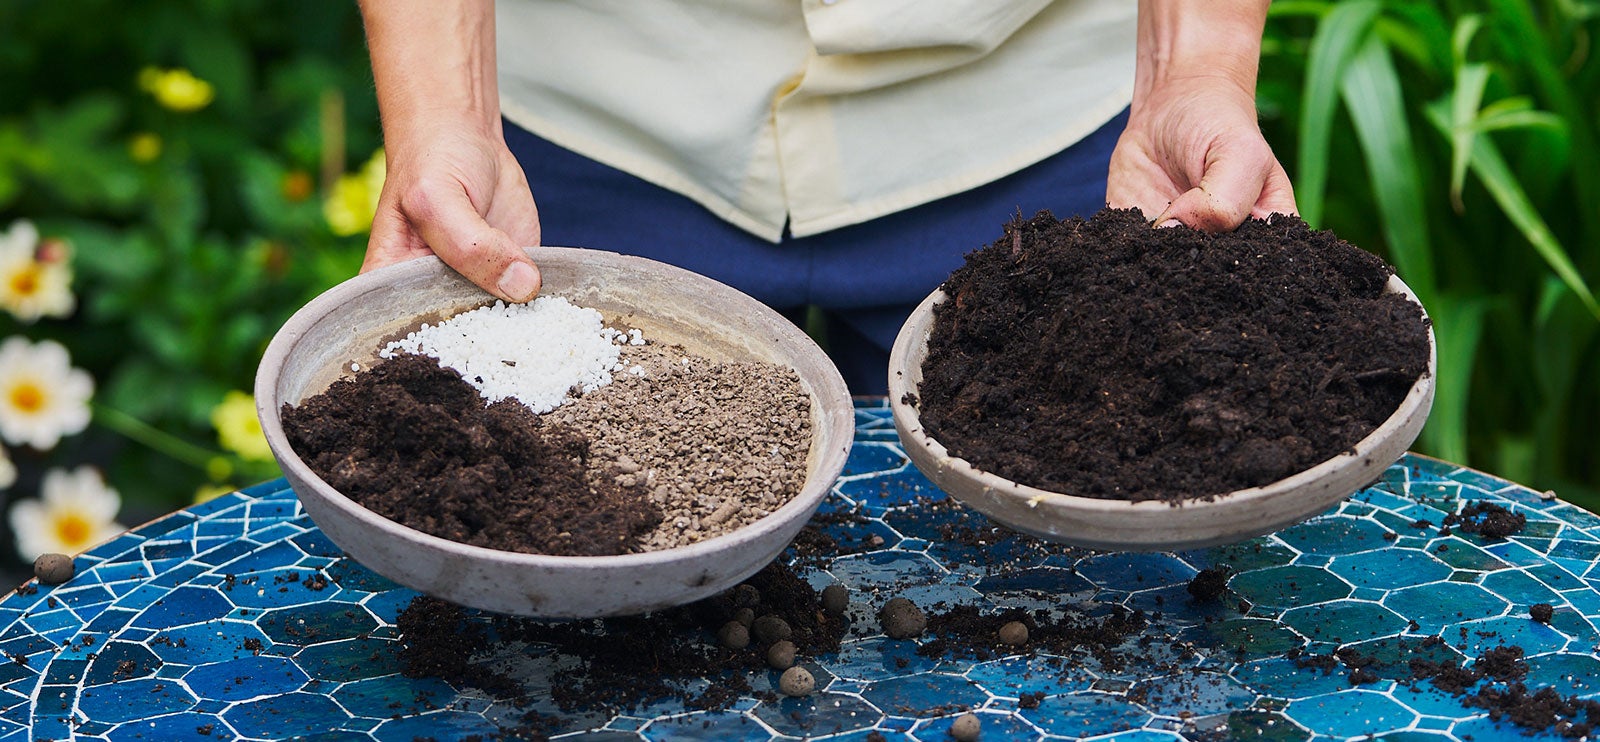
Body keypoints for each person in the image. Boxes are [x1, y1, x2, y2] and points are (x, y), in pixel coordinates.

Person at [356, 0, 1296, 395]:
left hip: (1040, 121)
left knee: (1071, 627)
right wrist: (449, 110)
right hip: (594, 122)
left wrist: (1190, 71)